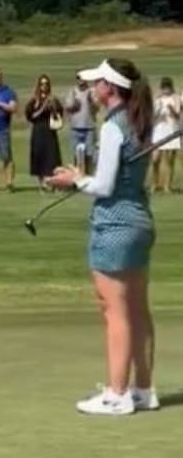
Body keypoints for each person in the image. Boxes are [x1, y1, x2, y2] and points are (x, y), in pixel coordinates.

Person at [45, 58, 158, 416]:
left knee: (115, 311)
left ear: (110, 88)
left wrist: (74, 180)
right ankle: (143, 390)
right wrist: (81, 178)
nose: (93, 89)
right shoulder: (138, 120)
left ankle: (117, 394)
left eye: (97, 83)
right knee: (137, 309)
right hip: (139, 221)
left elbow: (105, 186)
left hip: (114, 226)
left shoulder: (112, 126)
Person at [25, 74, 64, 191]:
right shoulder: (34, 100)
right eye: (42, 84)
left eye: (46, 84)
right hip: (38, 130)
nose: (44, 86)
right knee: (39, 155)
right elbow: (31, 116)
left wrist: (53, 108)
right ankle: (42, 182)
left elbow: (59, 115)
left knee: (51, 156)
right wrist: (43, 107)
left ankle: (51, 181)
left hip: (50, 131)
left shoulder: (53, 99)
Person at [148, 77, 180, 194]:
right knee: (155, 159)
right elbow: (152, 117)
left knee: (169, 159)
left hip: (171, 130)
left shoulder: (176, 98)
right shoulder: (157, 99)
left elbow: (177, 116)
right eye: (164, 87)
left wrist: (171, 110)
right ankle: (154, 184)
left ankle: (167, 186)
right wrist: (158, 112)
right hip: (159, 131)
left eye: (168, 87)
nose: (166, 90)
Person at [65, 71, 99, 173]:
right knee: (77, 155)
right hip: (75, 128)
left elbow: (97, 108)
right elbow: (67, 107)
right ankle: (78, 175)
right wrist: (73, 105)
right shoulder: (73, 91)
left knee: (89, 154)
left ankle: (88, 175)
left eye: (82, 78)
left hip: (89, 128)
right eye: (78, 78)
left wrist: (91, 101)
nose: (81, 80)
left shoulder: (92, 91)